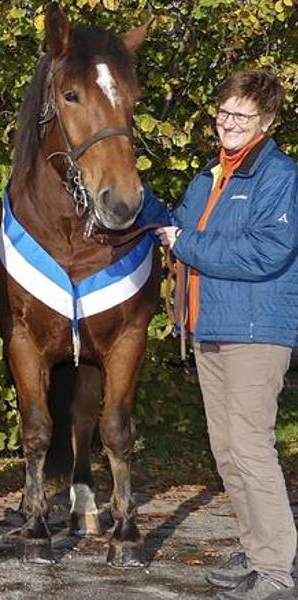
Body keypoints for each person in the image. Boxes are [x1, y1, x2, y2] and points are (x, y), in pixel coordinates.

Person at [142, 70, 298, 600]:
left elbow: (265, 252)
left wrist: (186, 243)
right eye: (224, 112)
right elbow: (180, 227)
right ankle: (258, 551)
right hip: (209, 326)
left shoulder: (279, 176)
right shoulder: (210, 175)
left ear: (267, 122)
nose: (229, 123)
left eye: (242, 116)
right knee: (227, 450)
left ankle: (276, 569)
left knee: (251, 448)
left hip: (256, 330)